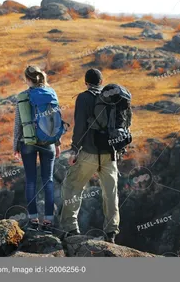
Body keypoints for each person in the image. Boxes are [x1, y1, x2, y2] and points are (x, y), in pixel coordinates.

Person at [60, 69, 120, 243]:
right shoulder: (113, 98)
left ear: (86, 82)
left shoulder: (84, 97)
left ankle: (71, 229)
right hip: (110, 154)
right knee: (111, 192)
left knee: (73, 187)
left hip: (89, 152)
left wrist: (74, 149)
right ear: (102, 82)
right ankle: (111, 232)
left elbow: (80, 127)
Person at [13, 66, 62, 234]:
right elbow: (55, 121)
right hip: (49, 142)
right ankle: (49, 221)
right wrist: (58, 143)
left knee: (31, 181)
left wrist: (15, 146)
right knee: (48, 181)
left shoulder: (23, 96)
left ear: (28, 79)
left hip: (28, 143)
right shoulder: (51, 93)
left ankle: (33, 220)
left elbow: (18, 124)